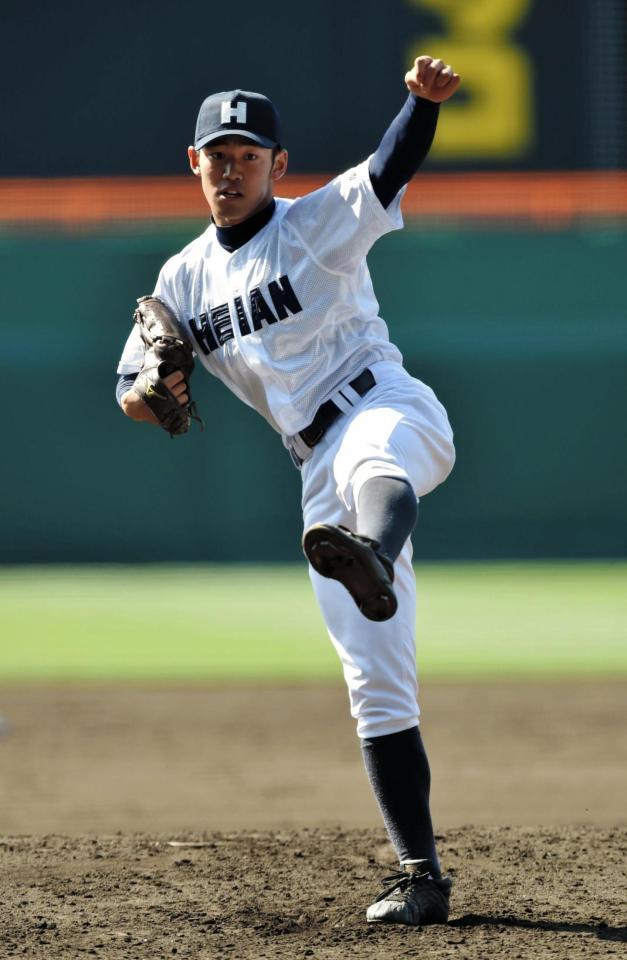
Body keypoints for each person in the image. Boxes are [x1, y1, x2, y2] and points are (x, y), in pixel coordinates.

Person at [116, 56, 460, 926]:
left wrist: (417, 105)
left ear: (278, 165)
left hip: (381, 401)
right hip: (311, 465)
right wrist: (154, 390)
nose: (231, 170)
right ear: (192, 163)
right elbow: (131, 394)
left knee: (372, 461)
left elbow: (390, 166)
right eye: (216, 155)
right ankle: (420, 875)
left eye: (247, 155)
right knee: (374, 683)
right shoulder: (181, 280)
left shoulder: (315, 225)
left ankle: (371, 552)